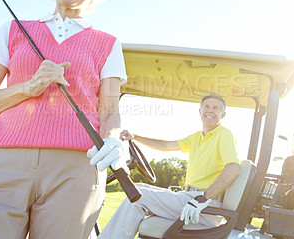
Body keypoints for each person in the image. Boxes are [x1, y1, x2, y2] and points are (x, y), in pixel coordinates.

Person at [0, 0, 129, 238]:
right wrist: (28, 87)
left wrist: (113, 138)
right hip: (3, 163)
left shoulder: (108, 44)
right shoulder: (12, 30)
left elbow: (109, 112)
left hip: (75, 170)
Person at [97, 93, 241, 239]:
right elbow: (166, 145)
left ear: (222, 115)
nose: (210, 110)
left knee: (139, 195)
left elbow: (233, 168)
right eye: (207, 106)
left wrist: (203, 197)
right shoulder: (197, 137)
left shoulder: (224, 135)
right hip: (189, 197)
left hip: (204, 205)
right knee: (138, 190)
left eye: (215, 108)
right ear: (200, 112)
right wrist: (136, 137)